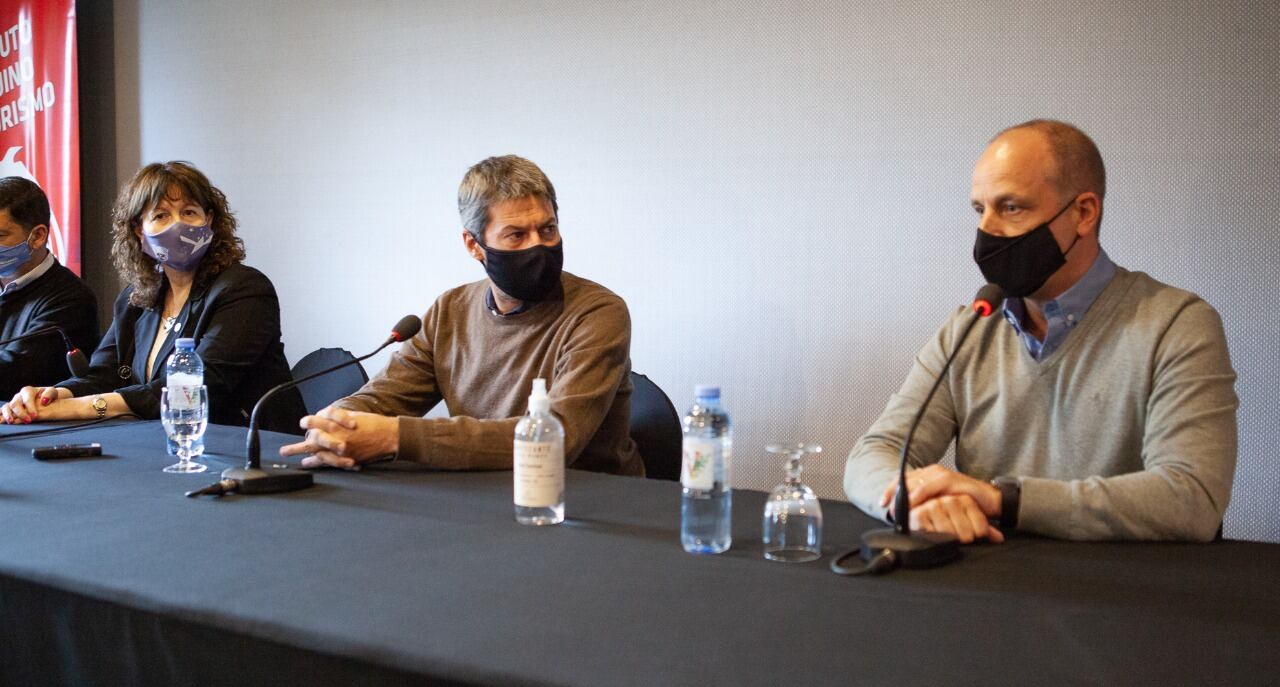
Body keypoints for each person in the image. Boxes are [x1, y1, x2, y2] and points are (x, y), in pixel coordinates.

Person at [843, 119, 1237, 542]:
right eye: (980, 209)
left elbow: (1192, 499)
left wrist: (1003, 500)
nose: (987, 230)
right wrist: (914, 500)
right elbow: (873, 455)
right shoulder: (970, 329)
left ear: (1083, 213)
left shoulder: (1177, 324)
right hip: (991, 588)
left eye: (1011, 207)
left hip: (1128, 596)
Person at [280, 155, 644, 475]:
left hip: (587, 502)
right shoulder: (449, 311)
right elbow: (385, 396)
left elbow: (554, 439)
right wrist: (336, 423)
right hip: (487, 495)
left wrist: (394, 437)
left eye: (547, 229)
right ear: (474, 245)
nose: (538, 245)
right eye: (516, 235)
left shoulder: (598, 313)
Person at [0, 161, 305, 433]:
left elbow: (199, 387)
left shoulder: (244, 288)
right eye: (161, 215)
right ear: (139, 231)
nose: (178, 224)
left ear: (209, 220)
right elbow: (104, 374)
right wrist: (54, 395)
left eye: (189, 212)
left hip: (254, 450)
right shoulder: (136, 298)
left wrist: (83, 407)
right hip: (164, 445)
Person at [0, 177, 98, 398]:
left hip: (39, 428)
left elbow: (16, 373)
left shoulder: (73, 299)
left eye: (0, 236)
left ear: (37, 236)